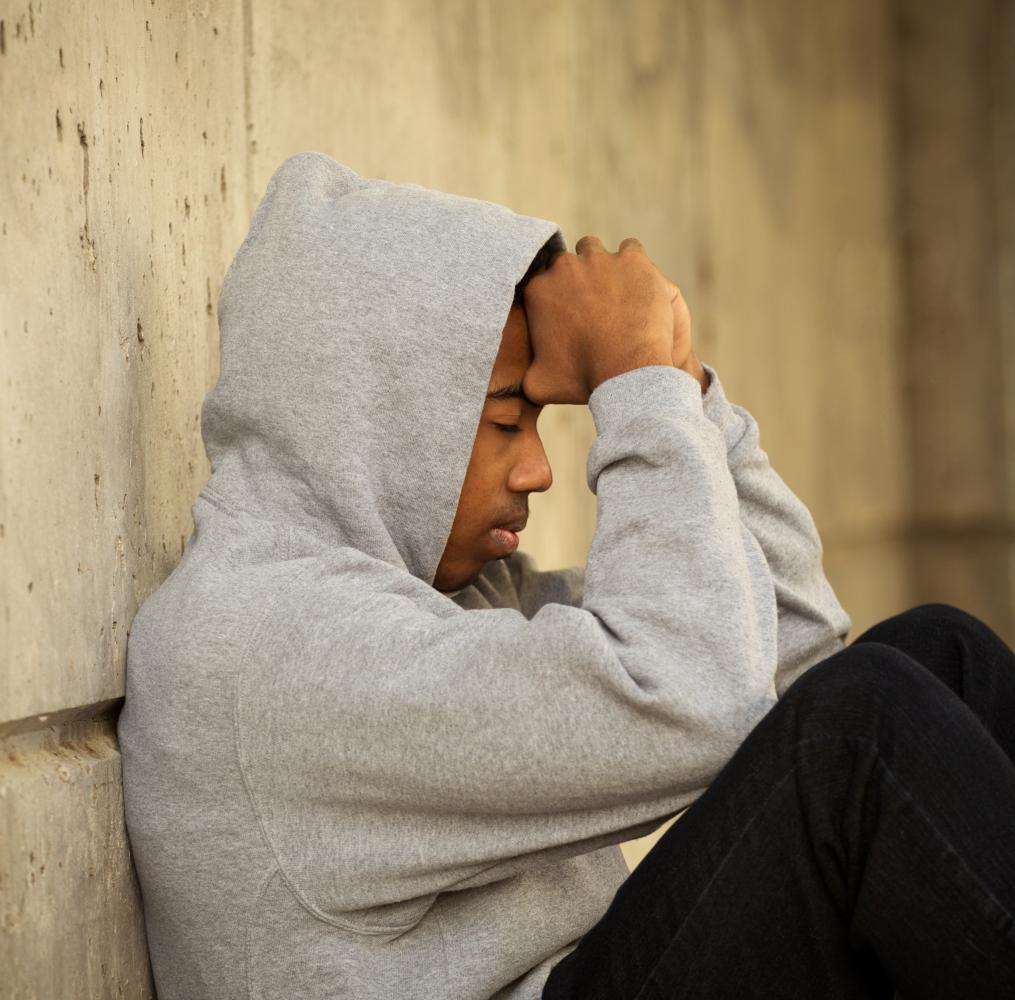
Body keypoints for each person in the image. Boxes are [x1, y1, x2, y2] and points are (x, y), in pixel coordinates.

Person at [117, 151, 1015, 1000]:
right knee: (855, 739)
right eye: (507, 420)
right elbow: (697, 700)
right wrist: (632, 385)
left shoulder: (434, 598)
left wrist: (679, 380)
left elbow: (787, 650)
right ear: (376, 413)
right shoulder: (269, 649)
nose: (539, 471)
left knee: (938, 653)